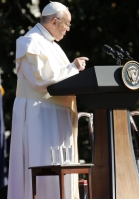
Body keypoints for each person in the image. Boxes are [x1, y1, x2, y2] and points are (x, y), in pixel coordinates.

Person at [7, 2, 88, 199]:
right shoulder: (30, 41)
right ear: (54, 21)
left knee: (61, 168)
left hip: (56, 115)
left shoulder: (54, 46)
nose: (68, 29)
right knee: (42, 165)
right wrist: (73, 68)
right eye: (66, 24)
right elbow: (39, 80)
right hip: (38, 115)